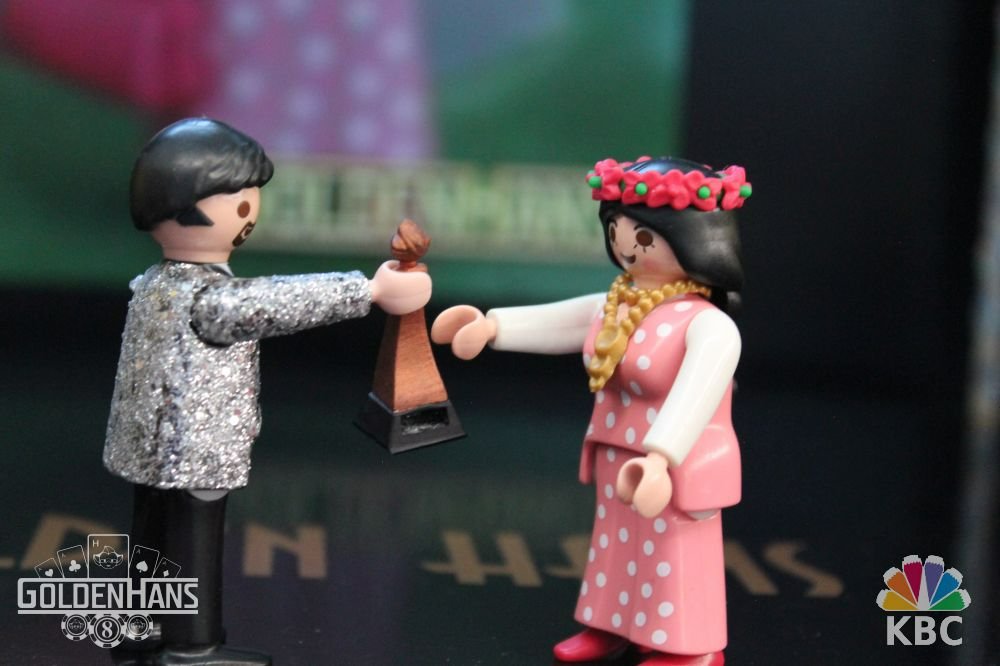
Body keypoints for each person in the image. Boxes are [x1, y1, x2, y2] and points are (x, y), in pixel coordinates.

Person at [104, 117, 430, 665]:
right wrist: (370, 290)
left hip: (147, 451)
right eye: (241, 202)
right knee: (194, 543)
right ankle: (192, 647)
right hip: (196, 453)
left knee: (153, 533)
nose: (250, 213)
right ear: (188, 209)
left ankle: (140, 628)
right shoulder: (207, 296)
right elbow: (270, 303)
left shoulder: (155, 284)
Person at [432, 156, 750, 666]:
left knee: (673, 551)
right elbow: (560, 322)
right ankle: (613, 624)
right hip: (615, 451)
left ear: (694, 240)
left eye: (643, 237)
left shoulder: (708, 325)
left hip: (674, 464)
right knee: (615, 547)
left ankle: (691, 649)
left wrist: (661, 457)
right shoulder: (617, 302)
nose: (627, 247)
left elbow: (697, 395)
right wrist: (491, 327)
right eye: (617, 232)